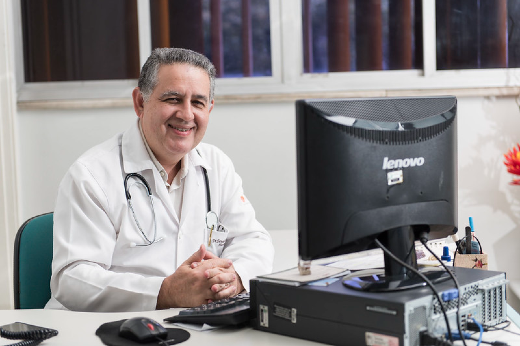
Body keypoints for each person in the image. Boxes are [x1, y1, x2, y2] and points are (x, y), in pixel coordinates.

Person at [45, 48, 274, 312]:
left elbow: (253, 239)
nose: (187, 114)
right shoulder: (91, 174)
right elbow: (71, 280)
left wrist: (234, 277)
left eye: (198, 102)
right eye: (173, 99)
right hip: (106, 329)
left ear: (209, 108)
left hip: (193, 323)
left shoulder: (216, 165)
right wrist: (164, 292)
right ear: (140, 103)